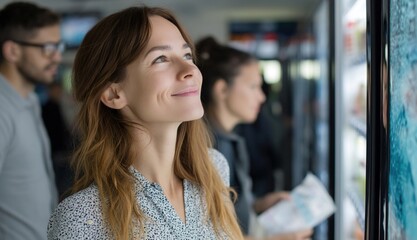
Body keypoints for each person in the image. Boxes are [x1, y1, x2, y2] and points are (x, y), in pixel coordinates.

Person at [47, 6, 243, 240]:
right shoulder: (81, 217)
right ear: (113, 94)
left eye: (187, 55)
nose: (190, 69)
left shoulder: (214, 169)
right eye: (161, 58)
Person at [196, 36, 313, 240]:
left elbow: (223, 209)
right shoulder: (204, 148)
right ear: (222, 89)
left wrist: (258, 205)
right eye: (253, 87)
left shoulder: (230, 140)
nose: (262, 97)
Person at [0, 2, 63, 239]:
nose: (57, 57)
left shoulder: (29, 101)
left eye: (58, 46)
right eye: (47, 48)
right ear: (13, 51)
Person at [42, 81, 74, 199]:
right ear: (50, 91)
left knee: (63, 178)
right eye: (56, 90)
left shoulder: (60, 106)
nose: (58, 93)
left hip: (62, 148)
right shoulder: (47, 108)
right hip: (55, 149)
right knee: (57, 178)